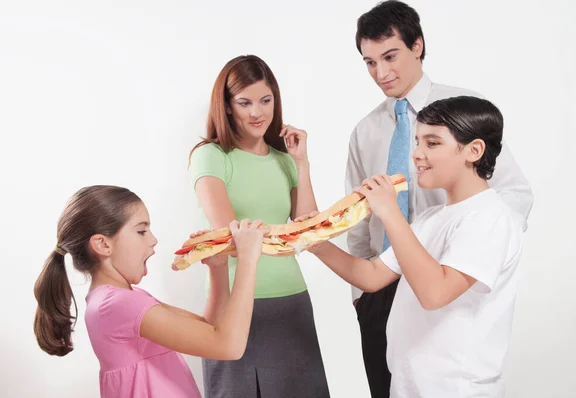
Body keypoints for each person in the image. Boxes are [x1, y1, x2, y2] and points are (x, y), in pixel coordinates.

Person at [345, 2, 534, 396]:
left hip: (450, 281)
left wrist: (476, 254)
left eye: (390, 56)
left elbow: (512, 194)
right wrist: (363, 295)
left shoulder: (464, 112)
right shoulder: (365, 130)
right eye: (369, 62)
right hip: (385, 284)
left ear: (417, 46)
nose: (381, 72)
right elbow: (360, 219)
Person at [306, 96, 523, 397]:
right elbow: (371, 275)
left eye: (432, 143)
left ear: (474, 151)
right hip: (408, 385)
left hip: (454, 390)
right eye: (417, 142)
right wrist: (315, 241)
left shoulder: (491, 217)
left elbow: (435, 293)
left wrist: (390, 213)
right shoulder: (430, 218)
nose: (416, 155)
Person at [33, 185, 264, 398]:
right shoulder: (116, 305)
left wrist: (218, 268)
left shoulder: (121, 300)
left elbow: (210, 329)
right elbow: (228, 346)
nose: (153, 240)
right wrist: (247, 260)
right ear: (103, 244)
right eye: (141, 231)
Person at [188, 54, 329, 397]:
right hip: (238, 304)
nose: (257, 112)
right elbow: (229, 235)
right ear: (226, 105)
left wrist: (302, 163)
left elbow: (309, 230)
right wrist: (283, 236)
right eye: (244, 102)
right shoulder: (211, 156)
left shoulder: (284, 160)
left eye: (266, 100)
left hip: (292, 301)